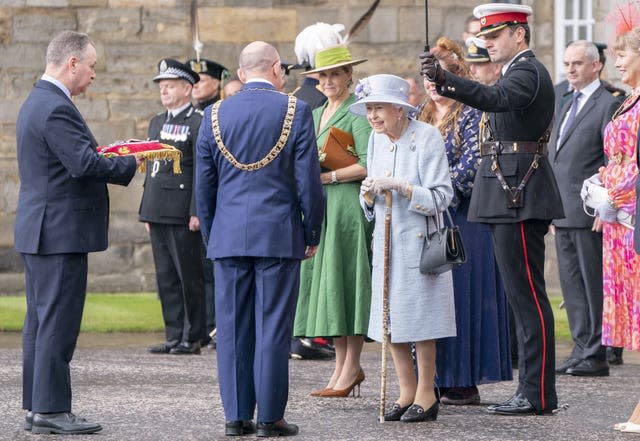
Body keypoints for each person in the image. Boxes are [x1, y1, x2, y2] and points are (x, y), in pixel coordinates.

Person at [420, 3, 564, 415]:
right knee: (523, 298)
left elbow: (496, 98)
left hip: (518, 192)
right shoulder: (517, 71)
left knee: (528, 298)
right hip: (508, 192)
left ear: (519, 35)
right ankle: (535, 391)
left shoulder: (528, 72)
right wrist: (444, 82)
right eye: (485, 36)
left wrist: (447, 79)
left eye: (495, 35)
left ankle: (536, 393)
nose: (487, 42)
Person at [196, 41, 324, 437]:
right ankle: (270, 417)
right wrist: (312, 229)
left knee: (232, 327)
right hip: (278, 233)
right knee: (273, 327)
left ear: (239, 73)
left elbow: (204, 187)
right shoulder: (295, 110)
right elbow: (308, 182)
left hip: (229, 235)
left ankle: (237, 416)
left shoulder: (213, 114)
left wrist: (213, 235)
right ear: (274, 70)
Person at [15, 30, 138, 434]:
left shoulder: (39, 100)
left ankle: (38, 406)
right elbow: (83, 164)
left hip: (43, 229)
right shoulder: (55, 106)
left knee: (40, 320)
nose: (94, 74)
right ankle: (51, 409)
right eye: (92, 66)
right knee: (57, 322)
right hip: (58, 231)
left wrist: (108, 154)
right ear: (72, 63)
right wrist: (129, 162)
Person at [351, 74, 455, 422]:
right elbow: (370, 202)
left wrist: (405, 188)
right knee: (389, 320)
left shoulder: (427, 137)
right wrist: (367, 195)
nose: (373, 116)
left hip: (420, 243)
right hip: (385, 243)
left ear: (399, 108)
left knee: (420, 320)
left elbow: (443, 196)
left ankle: (427, 392)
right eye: (369, 109)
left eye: (379, 108)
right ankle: (406, 389)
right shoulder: (377, 141)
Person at [419, 36, 512, 406]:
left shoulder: (474, 113)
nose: (433, 89)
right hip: (426, 217)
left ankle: (462, 378)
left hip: (463, 218)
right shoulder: (418, 115)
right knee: (429, 296)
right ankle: (431, 378)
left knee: (461, 296)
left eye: (439, 81)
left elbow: (473, 165)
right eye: (428, 82)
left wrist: (437, 194)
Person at [292, 45, 373, 398]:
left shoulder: (358, 113)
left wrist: (331, 177)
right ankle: (340, 367)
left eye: (335, 75)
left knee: (347, 283)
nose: (328, 81)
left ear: (348, 76)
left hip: (347, 209)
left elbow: (370, 163)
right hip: (322, 209)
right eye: (323, 75)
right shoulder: (314, 113)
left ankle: (352, 365)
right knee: (330, 288)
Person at [550, 40, 621, 378]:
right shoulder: (564, 100)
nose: (570, 70)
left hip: (590, 211)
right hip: (561, 208)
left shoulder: (607, 103)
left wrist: (605, 207)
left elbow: (612, 158)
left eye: (577, 63)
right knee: (571, 285)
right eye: (567, 64)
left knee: (592, 284)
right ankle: (581, 349)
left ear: (596, 66)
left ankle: (597, 352)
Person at [141, 59, 206, 356]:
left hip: (182, 210)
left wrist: (196, 210)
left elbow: (201, 171)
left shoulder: (198, 121)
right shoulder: (156, 122)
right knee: (165, 276)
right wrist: (146, 208)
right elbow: (152, 168)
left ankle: (192, 336)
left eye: (169, 86)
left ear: (187, 88)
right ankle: (172, 334)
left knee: (187, 275)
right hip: (157, 207)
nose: (164, 91)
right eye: (162, 86)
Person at [597, 9, 640, 433]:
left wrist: (613, 192)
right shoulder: (627, 99)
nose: (617, 61)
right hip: (621, 220)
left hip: (633, 214)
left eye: (624, 52)